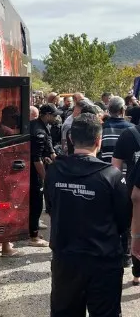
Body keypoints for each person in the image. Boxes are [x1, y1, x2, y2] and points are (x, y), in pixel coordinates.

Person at [46, 113, 129, 316]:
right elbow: (124, 220)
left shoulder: (54, 171)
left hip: (66, 258)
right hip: (103, 259)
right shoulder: (112, 176)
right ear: (98, 141)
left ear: (71, 139)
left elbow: (50, 208)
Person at [29, 104, 60, 246]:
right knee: (36, 202)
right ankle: (33, 236)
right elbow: (36, 158)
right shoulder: (38, 130)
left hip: (36, 166)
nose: (56, 117)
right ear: (47, 114)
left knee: (35, 202)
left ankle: (33, 225)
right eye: (54, 115)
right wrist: (45, 178)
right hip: (33, 171)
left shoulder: (41, 125)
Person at [114, 116, 140, 280]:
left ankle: (136, 272)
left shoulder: (128, 134)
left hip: (132, 188)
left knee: (133, 227)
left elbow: (116, 166)